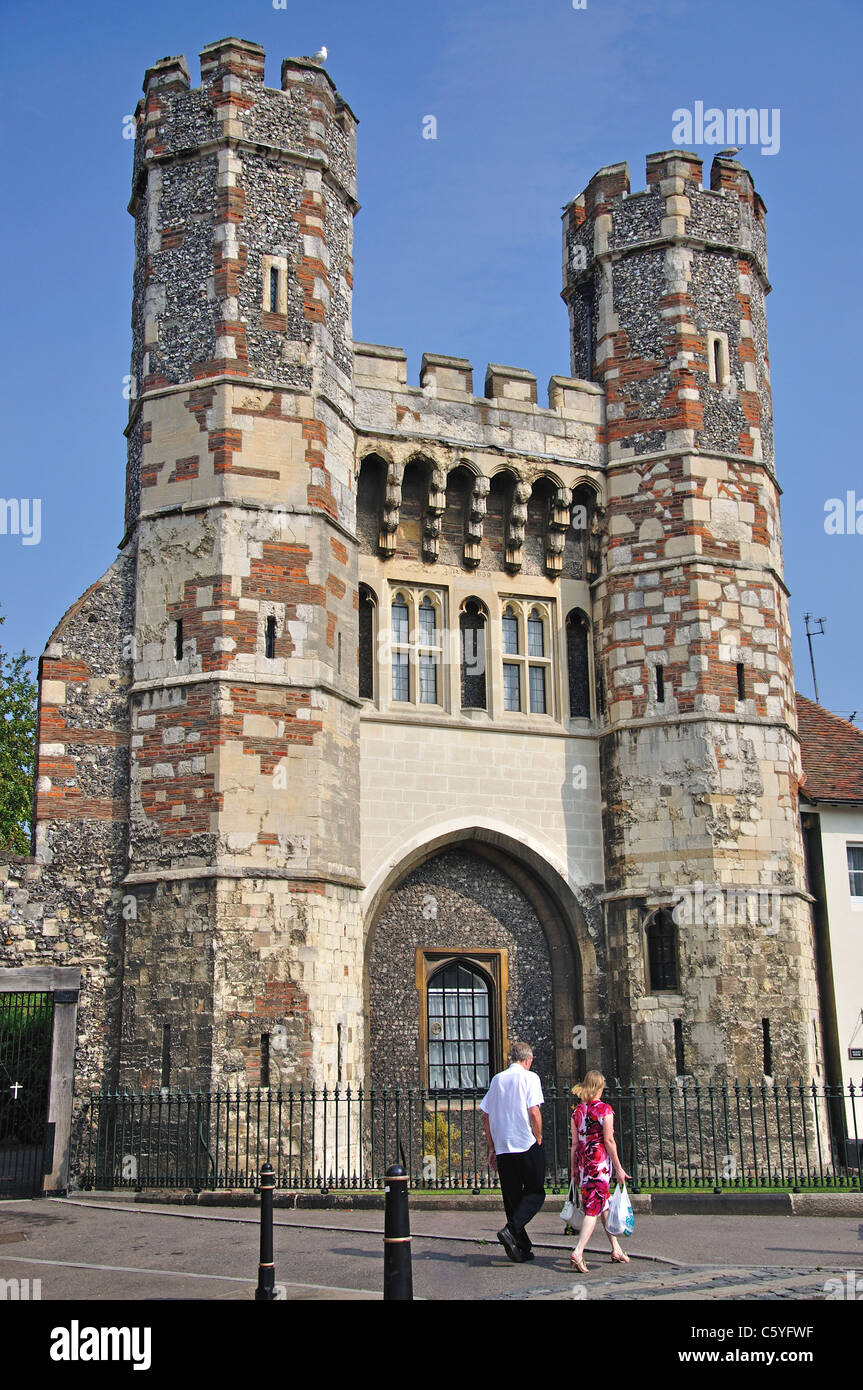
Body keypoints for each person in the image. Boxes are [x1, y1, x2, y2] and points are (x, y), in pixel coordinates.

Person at [480, 1041, 545, 1263]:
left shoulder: (497, 1079)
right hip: (525, 1144)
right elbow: (534, 1111)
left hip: (503, 1147)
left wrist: (491, 1147)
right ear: (528, 1059)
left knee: (512, 1197)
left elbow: (486, 1116)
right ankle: (511, 1230)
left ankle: (521, 1247)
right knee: (536, 1192)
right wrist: (538, 1136)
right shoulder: (530, 1078)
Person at [569, 1069, 630, 1272]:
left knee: (602, 1206)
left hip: (584, 1164)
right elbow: (609, 1141)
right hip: (599, 1165)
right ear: (598, 1087)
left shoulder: (577, 1112)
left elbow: (574, 1145)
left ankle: (616, 1249)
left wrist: (574, 1171)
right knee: (593, 1210)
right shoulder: (604, 1110)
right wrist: (619, 1169)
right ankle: (578, 1251)